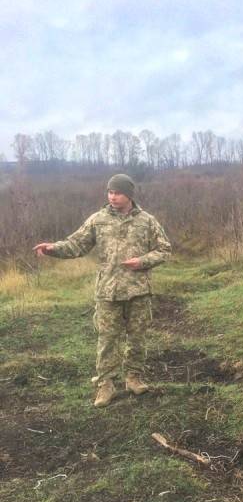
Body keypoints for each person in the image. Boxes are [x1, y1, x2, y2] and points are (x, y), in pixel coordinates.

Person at [33, 174, 172, 407]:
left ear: (129, 194)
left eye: (117, 192)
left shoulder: (147, 221)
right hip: (108, 291)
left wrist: (143, 261)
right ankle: (105, 384)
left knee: (137, 338)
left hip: (138, 290)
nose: (112, 196)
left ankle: (133, 377)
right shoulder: (98, 220)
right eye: (109, 192)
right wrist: (52, 248)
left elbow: (164, 249)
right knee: (107, 340)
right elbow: (76, 244)